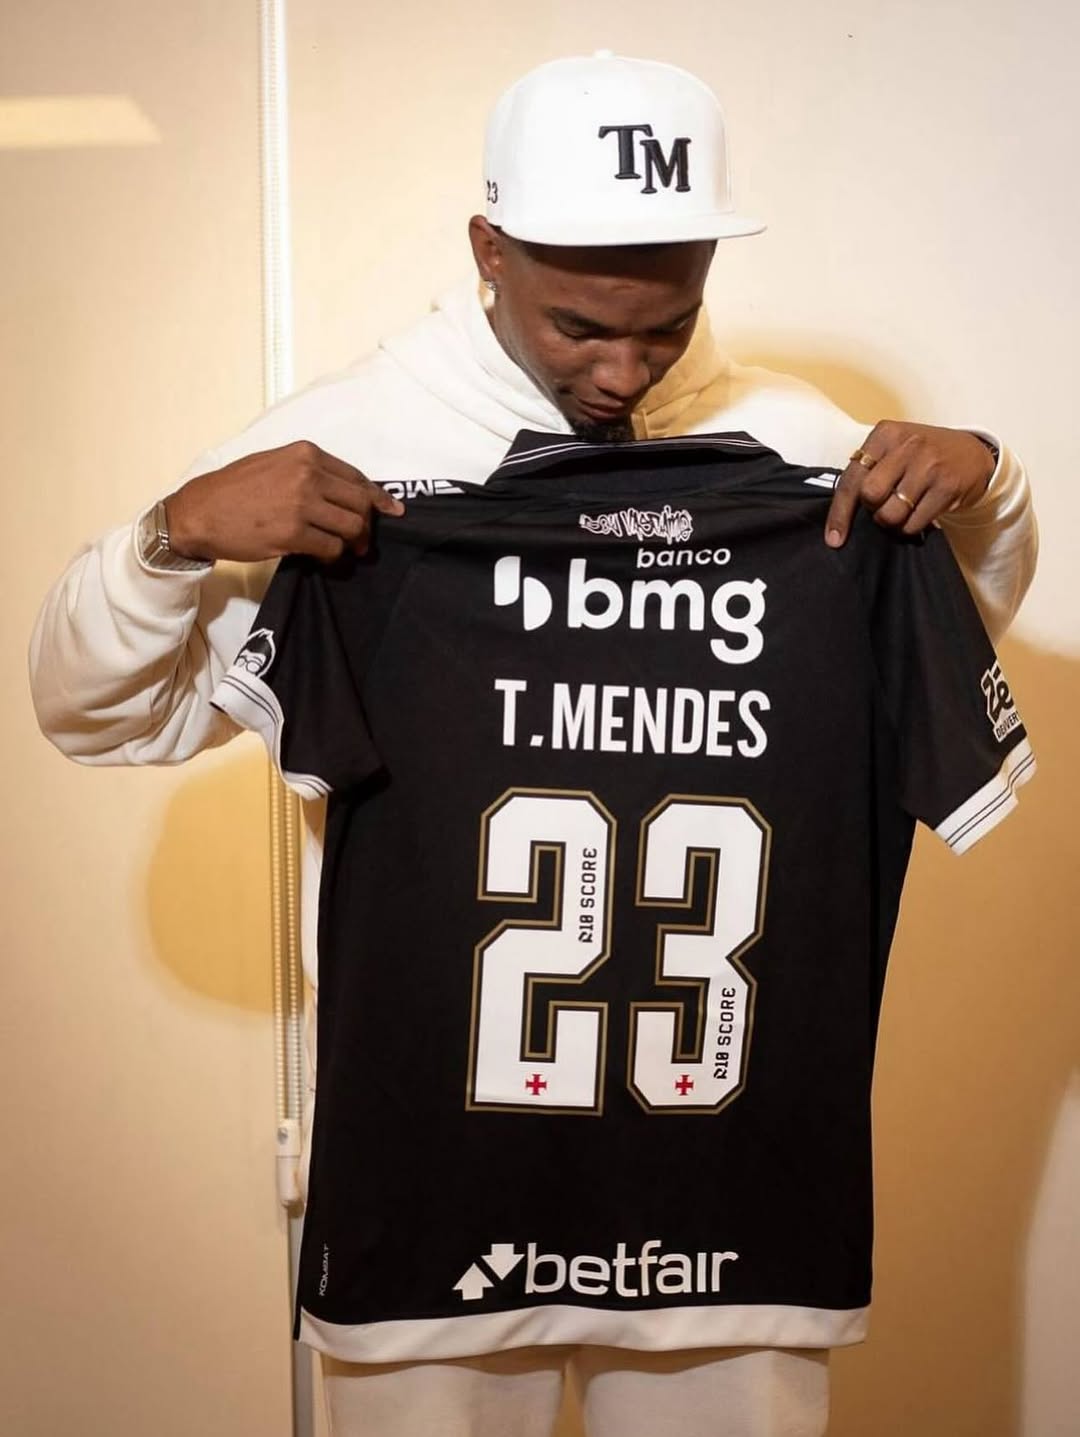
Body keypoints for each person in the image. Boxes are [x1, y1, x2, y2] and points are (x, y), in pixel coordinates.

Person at [30, 51, 1036, 1437]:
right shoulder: (349, 448)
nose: (622, 372)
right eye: (580, 327)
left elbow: (932, 639)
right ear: (486, 250)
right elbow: (93, 711)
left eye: (667, 326)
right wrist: (170, 535)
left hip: (735, 1198)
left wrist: (992, 487)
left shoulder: (803, 452)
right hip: (433, 1188)